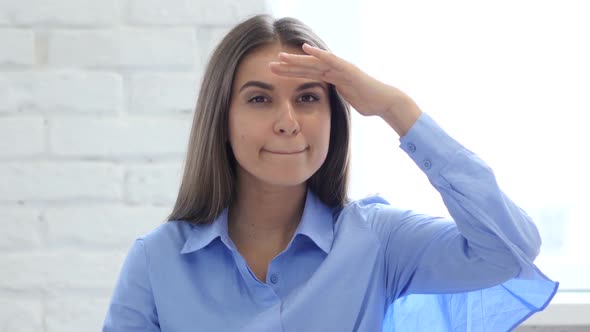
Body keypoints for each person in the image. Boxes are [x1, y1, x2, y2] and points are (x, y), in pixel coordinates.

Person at [102, 14, 557, 331]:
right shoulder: (156, 260)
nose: (288, 121)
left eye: (308, 98)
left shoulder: (379, 239)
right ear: (222, 120)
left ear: (334, 118)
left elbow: (510, 252)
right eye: (260, 99)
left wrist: (396, 109)